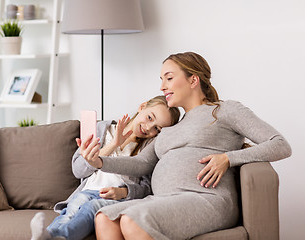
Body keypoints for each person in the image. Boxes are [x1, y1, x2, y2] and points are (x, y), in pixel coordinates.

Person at [77, 52, 292, 240]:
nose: (162, 87)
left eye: (169, 78)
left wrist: (228, 158)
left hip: (207, 200)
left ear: (193, 80)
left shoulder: (225, 111)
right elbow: (142, 163)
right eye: (161, 79)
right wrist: (99, 162)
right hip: (162, 200)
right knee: (105, 218)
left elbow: (280, 145)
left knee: (133, 220)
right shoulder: (168, 129)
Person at [29, 95, 181, 240]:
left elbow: (147, 188)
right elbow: (78, 170)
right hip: (88, 192)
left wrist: (123, 192)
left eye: (157, 129)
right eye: (149, 118)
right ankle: (49, 236)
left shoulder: (148, 149)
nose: (149, 128)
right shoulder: (102, 129)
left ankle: (55, 236)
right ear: (142, 107)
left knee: (91, 207)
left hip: (114, 200)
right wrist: (114, 144)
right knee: (70, 212)